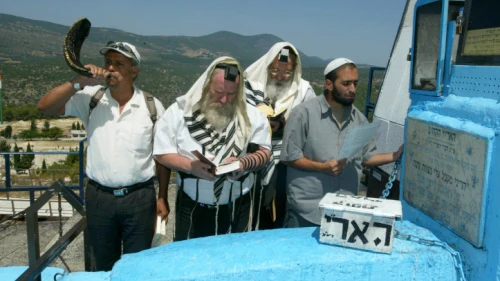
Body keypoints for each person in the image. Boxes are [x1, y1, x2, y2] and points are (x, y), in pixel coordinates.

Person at [37, 41, 169, 271]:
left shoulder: (152, 106)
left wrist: (162, 197)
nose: (110, 68)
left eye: (119, 63)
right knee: (102, 265)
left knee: (137, 267)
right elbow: (45, 107)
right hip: (99, 198)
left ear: (134, 70)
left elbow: (161, 156)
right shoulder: (91, 98)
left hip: (139, 198)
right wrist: (78, 82)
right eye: (108, 62)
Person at [154, 57, 271, 241]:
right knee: (190, 260)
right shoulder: (179, 113)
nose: (224, 99)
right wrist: (189, 166)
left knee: (233, 262)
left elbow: (264, 152)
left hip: (238, 206)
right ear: (207, 83)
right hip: (191, 207)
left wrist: (243, 163)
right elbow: (161, 152)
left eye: (232, 94)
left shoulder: (254, 116)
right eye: (219, 91)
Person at [280, 58, 404, 228]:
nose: (352, 89)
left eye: (355, 83)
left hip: (344, 211)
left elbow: (366, 157)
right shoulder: (303, 114)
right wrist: (322, 167)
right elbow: (289, 157)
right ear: (329, 84)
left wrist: (394, 155)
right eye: (346, 84)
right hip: (307, 212)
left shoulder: (359, 119)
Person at [244, 42, 315, 229]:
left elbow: (311, 126)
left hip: (285, 161)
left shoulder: (304, 91)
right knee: (250, 208)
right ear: (267, 67)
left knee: (278, 208)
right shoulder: (251, 87)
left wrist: (286, 125)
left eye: (287, 72)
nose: (281, 77)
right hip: (251, 156)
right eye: (275, 70)